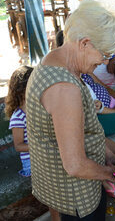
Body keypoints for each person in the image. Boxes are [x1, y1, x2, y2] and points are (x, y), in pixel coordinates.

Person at [26, 0, 115, 219]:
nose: (103, 62)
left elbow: (74, 134)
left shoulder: (54, 62)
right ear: (85, 43)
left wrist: (107, 152)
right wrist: (114, 174)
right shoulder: (64, 88)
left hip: (64, 192)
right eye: (105, 54)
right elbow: (75, 165)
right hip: (76, 197)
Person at [5, 66, 61, 221]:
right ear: (22, 89)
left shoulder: (38, 108)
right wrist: (42, 145)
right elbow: (18, 145)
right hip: (32, 161)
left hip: (44, 155)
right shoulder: (18, 116)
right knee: (54, 184)